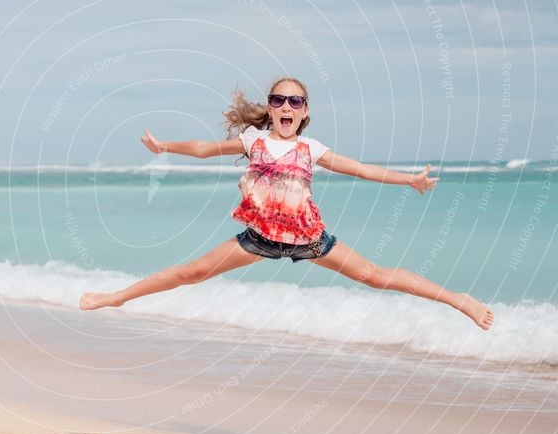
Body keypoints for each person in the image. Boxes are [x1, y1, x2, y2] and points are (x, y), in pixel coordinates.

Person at [79, 76, 494, 330]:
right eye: (279, 100)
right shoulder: (253, 141)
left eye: (295, 102)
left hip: (308, 239)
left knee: (374, 275)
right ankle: (115, 297)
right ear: (271, 108)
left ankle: (461, 301)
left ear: (304, 111)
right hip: (258, 237)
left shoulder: (312, 148)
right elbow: (205, 148)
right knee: (192, 272)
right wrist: (165, 145)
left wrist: (408, 180)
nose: (286, 107)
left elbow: (360, 169)